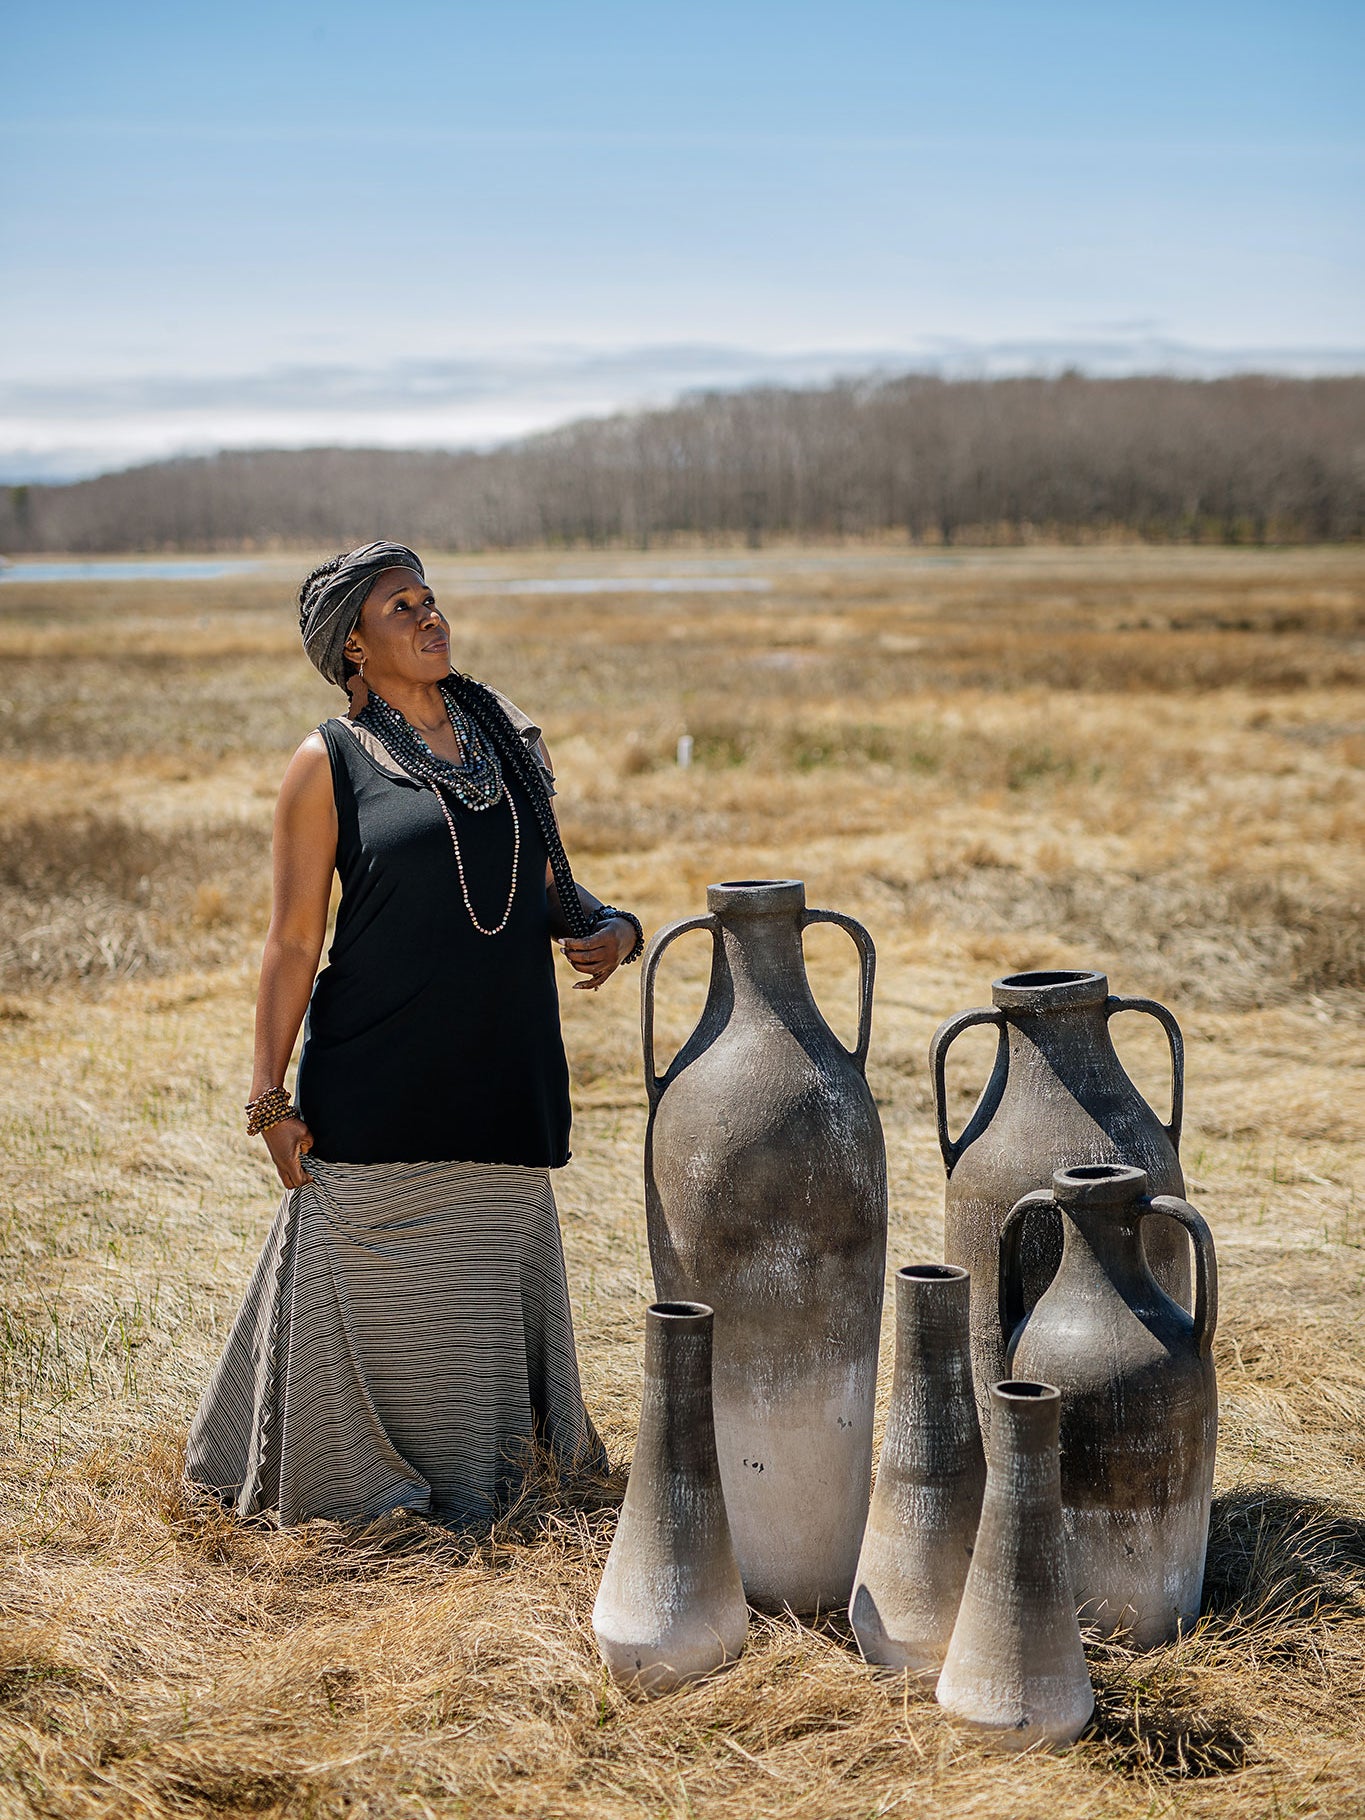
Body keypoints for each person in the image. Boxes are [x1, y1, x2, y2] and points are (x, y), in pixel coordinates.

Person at [185, 541, 641, 1527]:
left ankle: (493, 1478)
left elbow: (551, 881)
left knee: (479, 1295)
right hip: (376, 1081)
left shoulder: (503, 737)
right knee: (365, 1292)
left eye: (432, 601)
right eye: (403, 608)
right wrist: (269, 1098)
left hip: (504, 1078)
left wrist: (616, 928)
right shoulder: (328, 761)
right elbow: (293, 937)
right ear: (352, 643)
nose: (433, 618)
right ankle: (346, 1487)